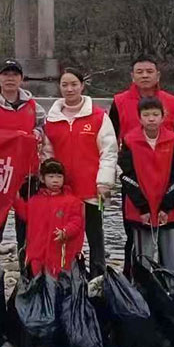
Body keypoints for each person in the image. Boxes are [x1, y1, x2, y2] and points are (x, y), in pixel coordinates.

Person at [109, 55, 174, 271]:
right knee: (134, 235)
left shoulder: (173, 102)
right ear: (132, 76)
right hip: (134, 179)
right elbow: (111, 139)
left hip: (166, 179)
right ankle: (134, 280)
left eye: (149, 71)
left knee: (169, 237)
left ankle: (170, 281)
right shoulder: (119, 101)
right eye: (139, 72)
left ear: (158, 75)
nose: (144, 76)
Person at [40, 67, 117, 276]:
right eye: (64, 85)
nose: (69, 89)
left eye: (74, 84)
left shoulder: (98, 117)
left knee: (95, 234)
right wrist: (48, 182)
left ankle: (98, 276)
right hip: (63, 190)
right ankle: (67, 273)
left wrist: (104, 182)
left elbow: (109, 152)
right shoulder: (52, 120)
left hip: (92, 188)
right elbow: (47, 155)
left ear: (82, 86)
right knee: (65, 233)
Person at [0, 58, 45, 263]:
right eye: (6, 74)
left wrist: (36, 134)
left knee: (26, 222)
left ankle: (26, 267)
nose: (10, 78)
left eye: (15, 74)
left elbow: (43, 126)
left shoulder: (33, 106)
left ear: (21, 79)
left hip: (27, 173)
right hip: (0, 173)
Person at [119, 97, 174, 272]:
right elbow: (127, 176)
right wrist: (142, 208)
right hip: (140, 209)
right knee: (143, 261)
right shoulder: (129, 141)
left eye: (155, 114)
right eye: (146, 115)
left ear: (163, 117)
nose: (151, 119)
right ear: (139, 118)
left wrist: (167, 206)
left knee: (172, 262)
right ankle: (142, 287)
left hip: (169, 209)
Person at [18, 159, 85, 277]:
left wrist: (65, 232)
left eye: (59, 177)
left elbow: (76, 222)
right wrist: (15, 199)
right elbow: (25, 214)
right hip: (37, 251)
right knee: (36, 276)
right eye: (51, 176)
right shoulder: (35, 201)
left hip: (60, 253)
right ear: (42, 178)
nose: (55, 180)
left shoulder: (72, 202)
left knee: (59, 278)